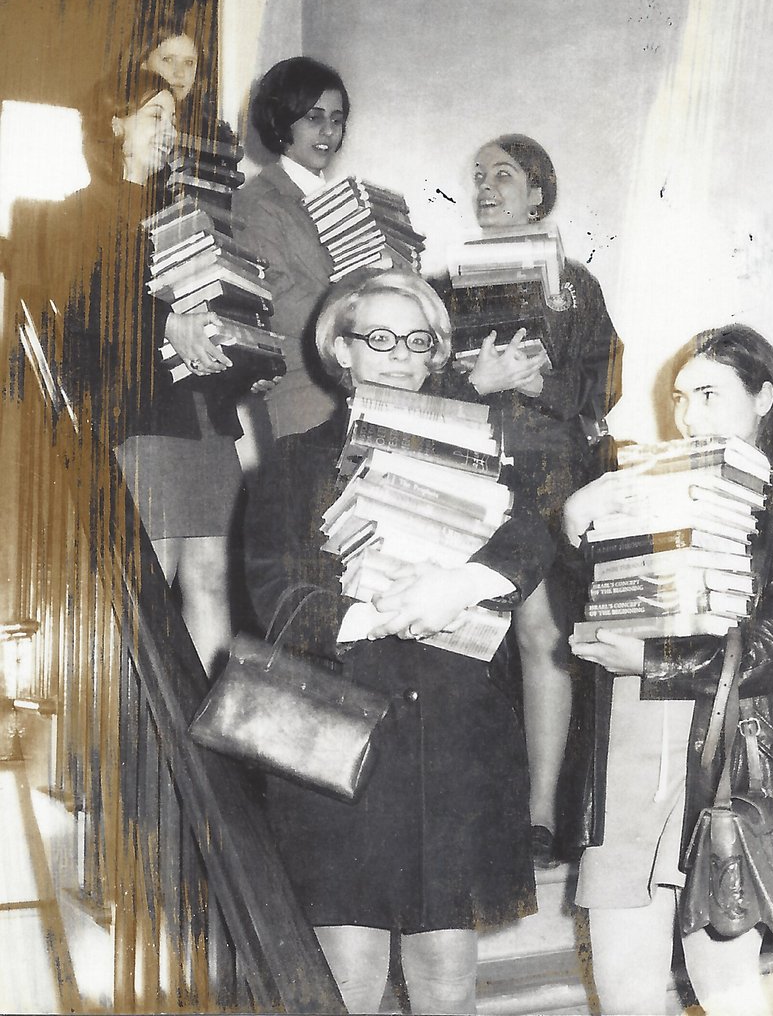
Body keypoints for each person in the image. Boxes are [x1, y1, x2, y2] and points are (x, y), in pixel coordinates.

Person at [243, 270, 554, 1016]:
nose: (398, 356)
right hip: (342, 735)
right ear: (340, 351)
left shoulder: (484, 449)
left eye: (417, 343)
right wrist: (377, 611)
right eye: (378, 339)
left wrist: (461, 584)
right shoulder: (293, 462)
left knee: (446, 974)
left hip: (449, 740)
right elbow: (274, 597)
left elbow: (530, 536)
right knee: (345, 979)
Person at [566, 325, 773, 1016]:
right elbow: (608, 602)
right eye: (679, 397)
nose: (688, 416)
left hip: (727, 758)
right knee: (622, 978)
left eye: (709, 395)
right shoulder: (648, 487)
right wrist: (576, 521)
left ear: (763, 399)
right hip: (629, 749)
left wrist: (653, 660)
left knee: (725, 983)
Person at [437, 134, 623, 864]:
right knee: (457, 631)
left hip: (544, 471)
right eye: (477, 175)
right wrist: (469, 381)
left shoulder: (572, 284)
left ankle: (540, 815)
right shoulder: (442, 284)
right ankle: (467, 807)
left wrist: (532, 383)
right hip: (463, 464)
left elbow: (600, 385)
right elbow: (410, 385)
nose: (487, 186)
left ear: (538, 195)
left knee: (540, 631)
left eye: (504, 175)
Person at [66, 58, 245, 674]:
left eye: (174, 116)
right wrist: (164, 322)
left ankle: (210, 757)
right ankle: (147, 743)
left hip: (204, 421)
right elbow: (85, 310)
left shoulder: (188, 210)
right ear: (115, 122)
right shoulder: (81, 211)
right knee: (151, 585)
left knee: (211, 581)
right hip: (143, 418)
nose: (170, 128)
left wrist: (245, 348)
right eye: (155, 114)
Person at [234, 56, 350, 440]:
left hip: (362, 377)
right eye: (313, 118)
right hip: (305, 387)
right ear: (283, 121)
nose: (327, 132)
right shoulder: (256, 201)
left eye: (336, 120)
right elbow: (276, 303)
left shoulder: (346, 200)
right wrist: (366, 315)